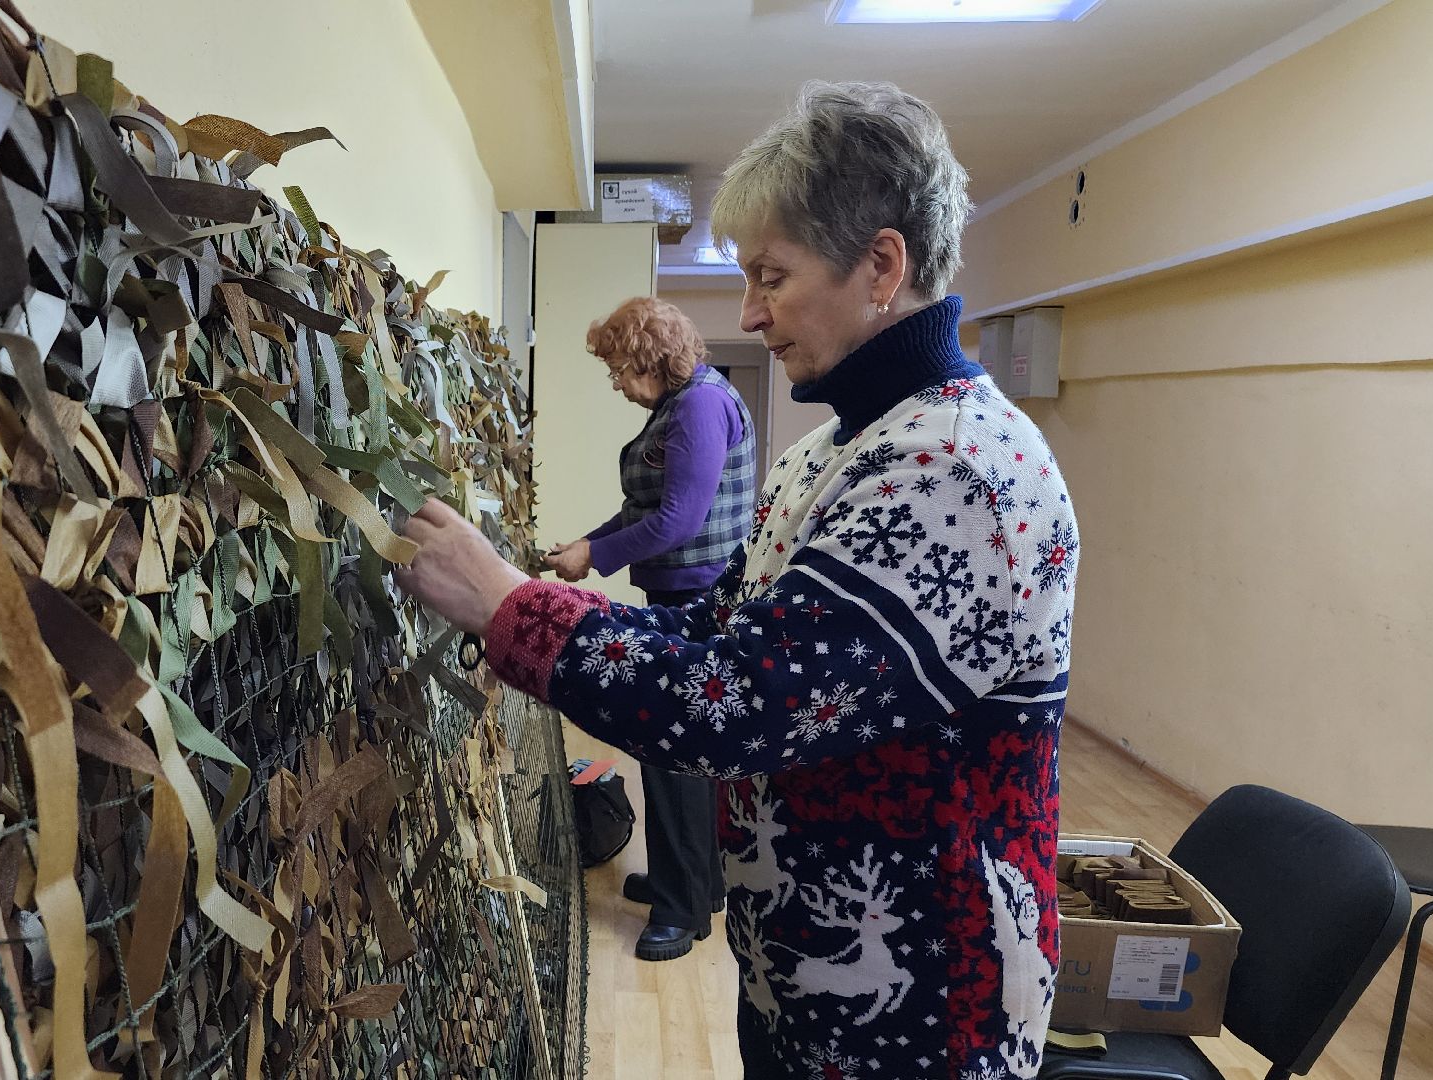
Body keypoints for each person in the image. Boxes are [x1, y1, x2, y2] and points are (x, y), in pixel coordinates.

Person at [397, 80, 1078, 1078]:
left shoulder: (955, 473)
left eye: (771, 276)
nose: (749, 314)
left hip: (920, 1007)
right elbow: (719, 638)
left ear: (881, 265)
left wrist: (511, 605)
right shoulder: (835, 453)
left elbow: (737, 705)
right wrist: (533, 603)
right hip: (805, 971)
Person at [546, 297, 757, 962]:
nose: (614, 382)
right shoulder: (683, 403)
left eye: (617, 368)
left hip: (697, 600)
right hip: (682, 592)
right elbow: (646, 507)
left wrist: (596, 556)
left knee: (675, 755)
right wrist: (587, 542)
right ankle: (693, 882)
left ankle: (682, 910)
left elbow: (679, 523)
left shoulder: (696, 406)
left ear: (649, 359)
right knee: (674, 752)